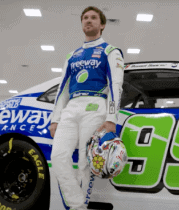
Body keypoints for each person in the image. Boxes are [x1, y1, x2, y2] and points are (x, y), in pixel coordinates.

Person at [49, 6, 124, 210]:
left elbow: (116, 86)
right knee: (57, 156)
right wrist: (55, 119)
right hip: (71, 108)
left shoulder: (110, 51)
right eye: (84, 18)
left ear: (102, 25)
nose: (88, 20)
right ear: (81, 23)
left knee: (85, 161)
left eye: (93, 18)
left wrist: (111, 118)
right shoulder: (71, 56)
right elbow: (62, 90)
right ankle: (77, 204)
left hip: (96, 106)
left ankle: (77, 207)